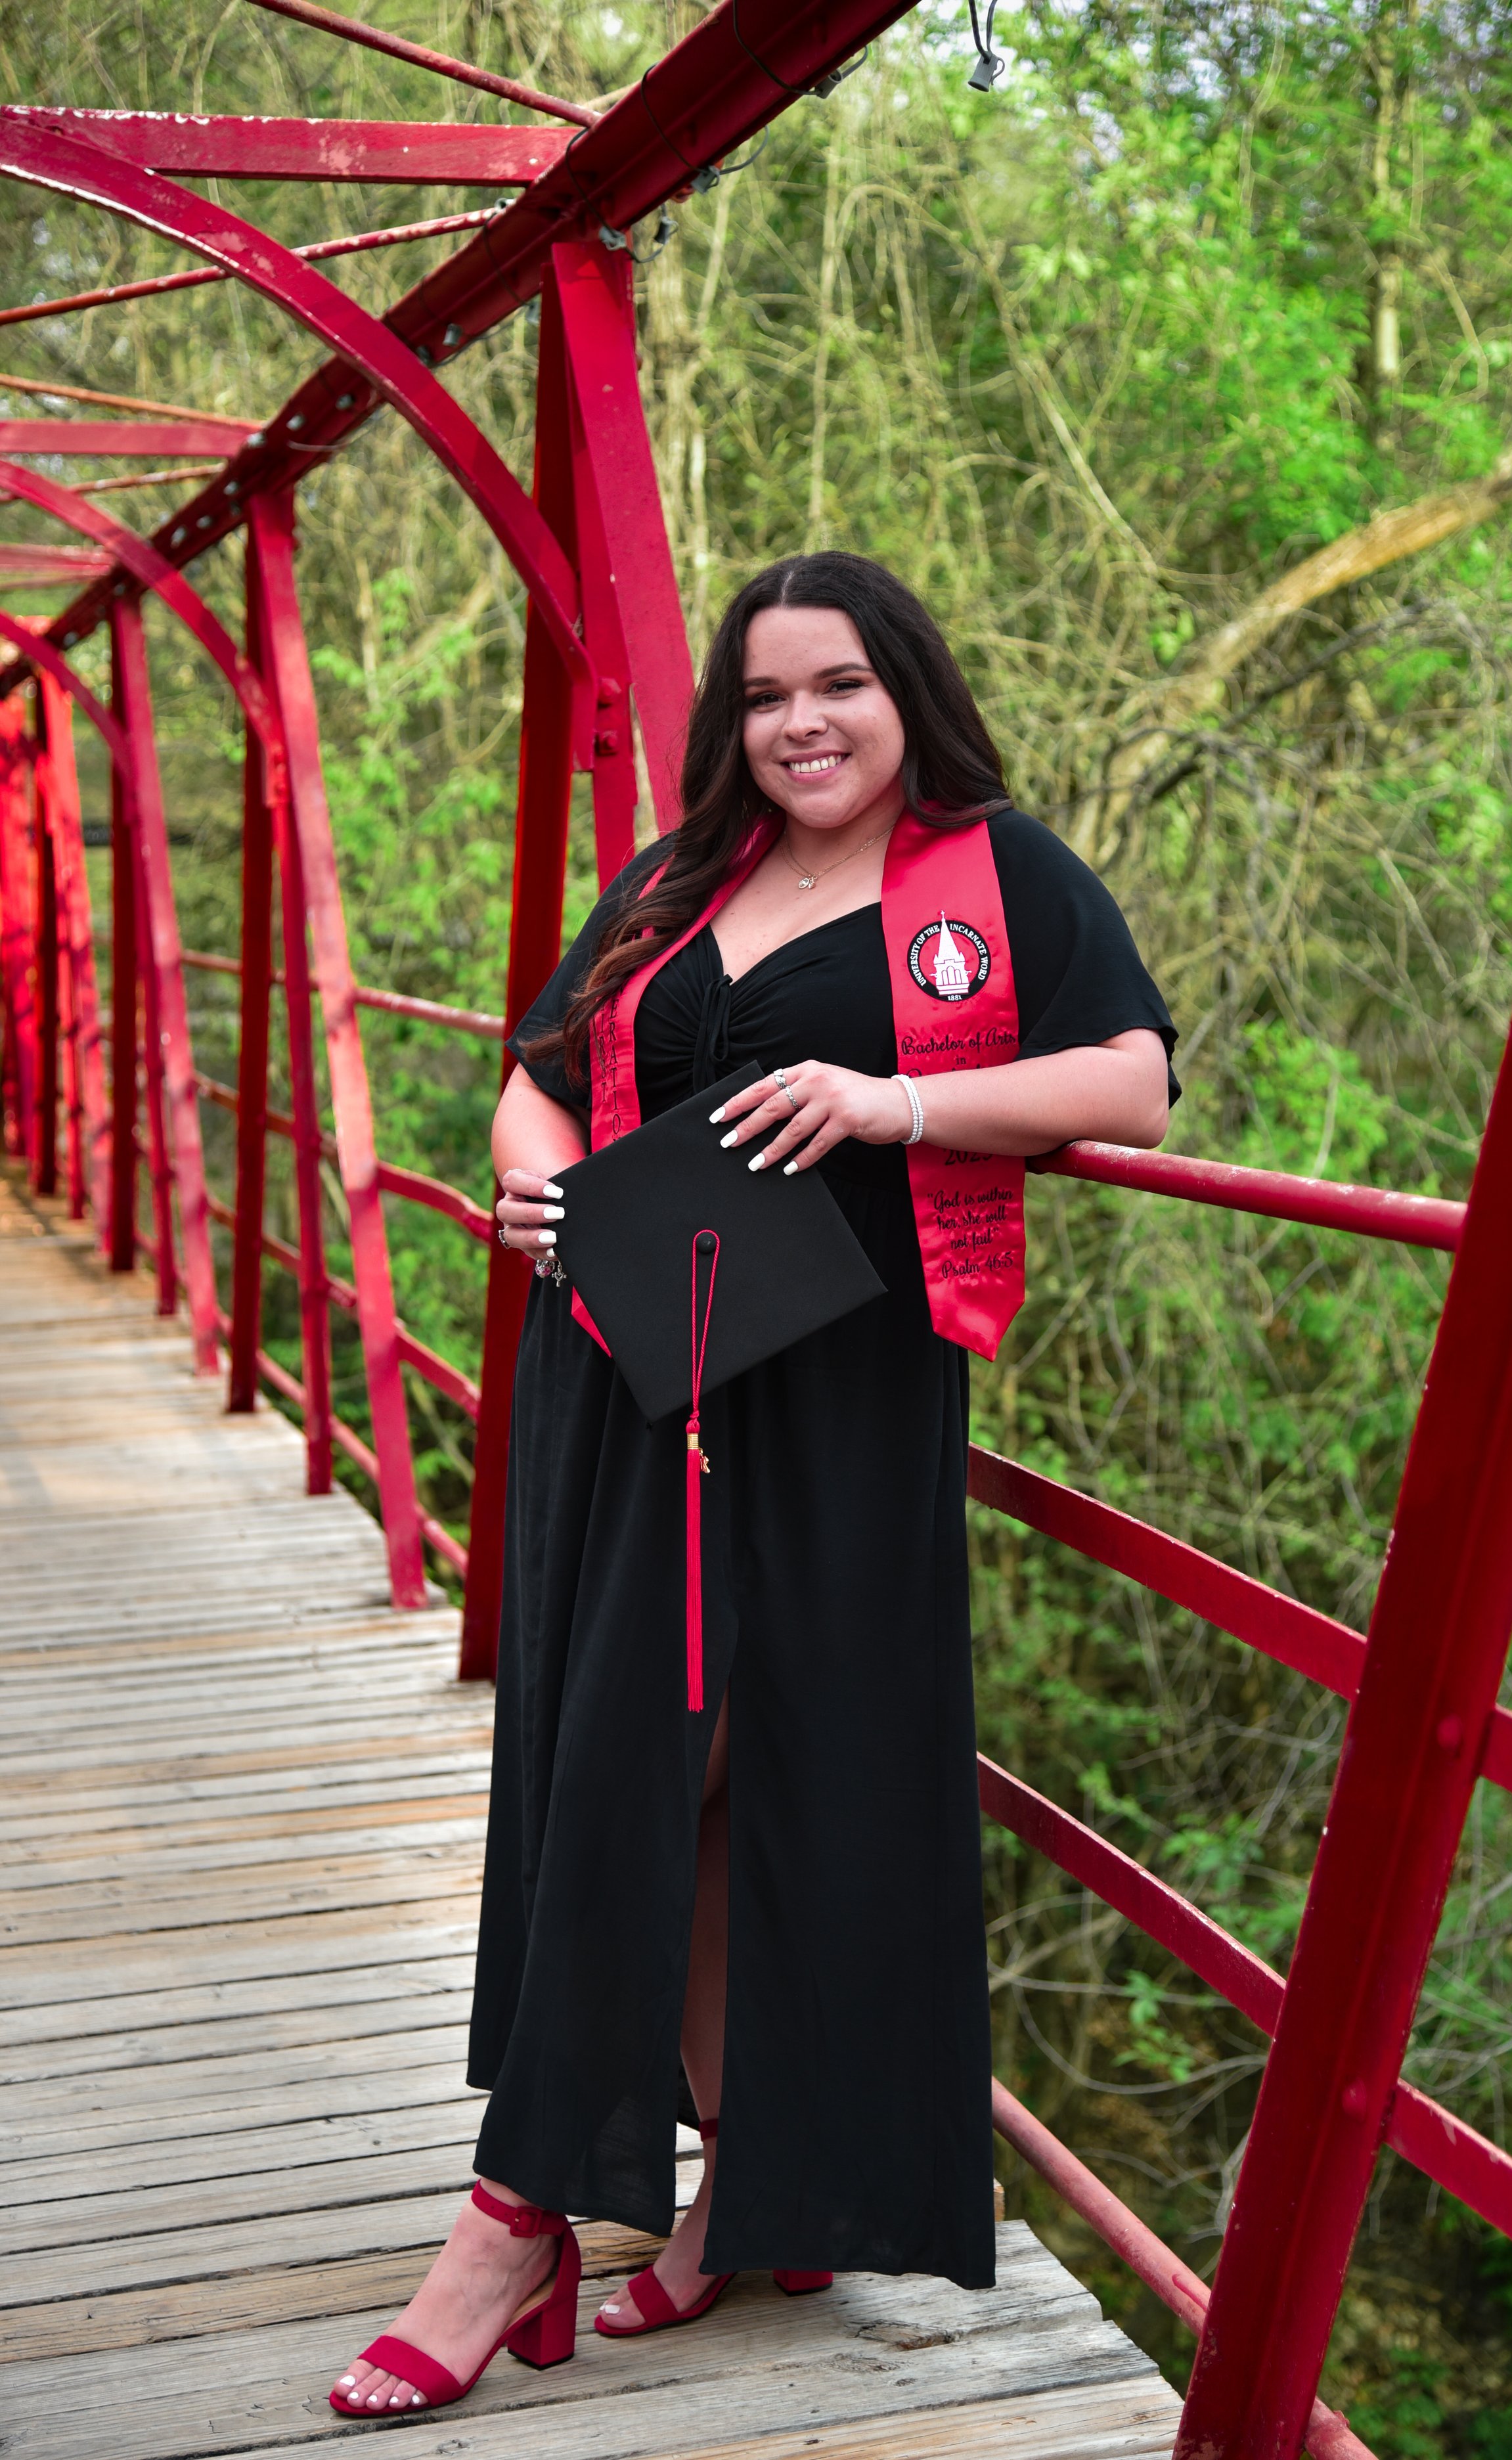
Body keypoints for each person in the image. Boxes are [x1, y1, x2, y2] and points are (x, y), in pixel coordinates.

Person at [330, 552, 1176, 2418]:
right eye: (769, 692)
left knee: (765, 1765)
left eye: (840, 686)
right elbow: (533, 1072)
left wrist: (898, 1106)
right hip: (630, 1377)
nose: (801, 722)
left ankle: (657, 2204)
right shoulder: (670, 878)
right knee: (641, 1758)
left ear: (907, 695)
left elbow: (1132, 1084)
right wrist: (536, 1177)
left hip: (847, 1400)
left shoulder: (998, 873)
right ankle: (540, 2207)